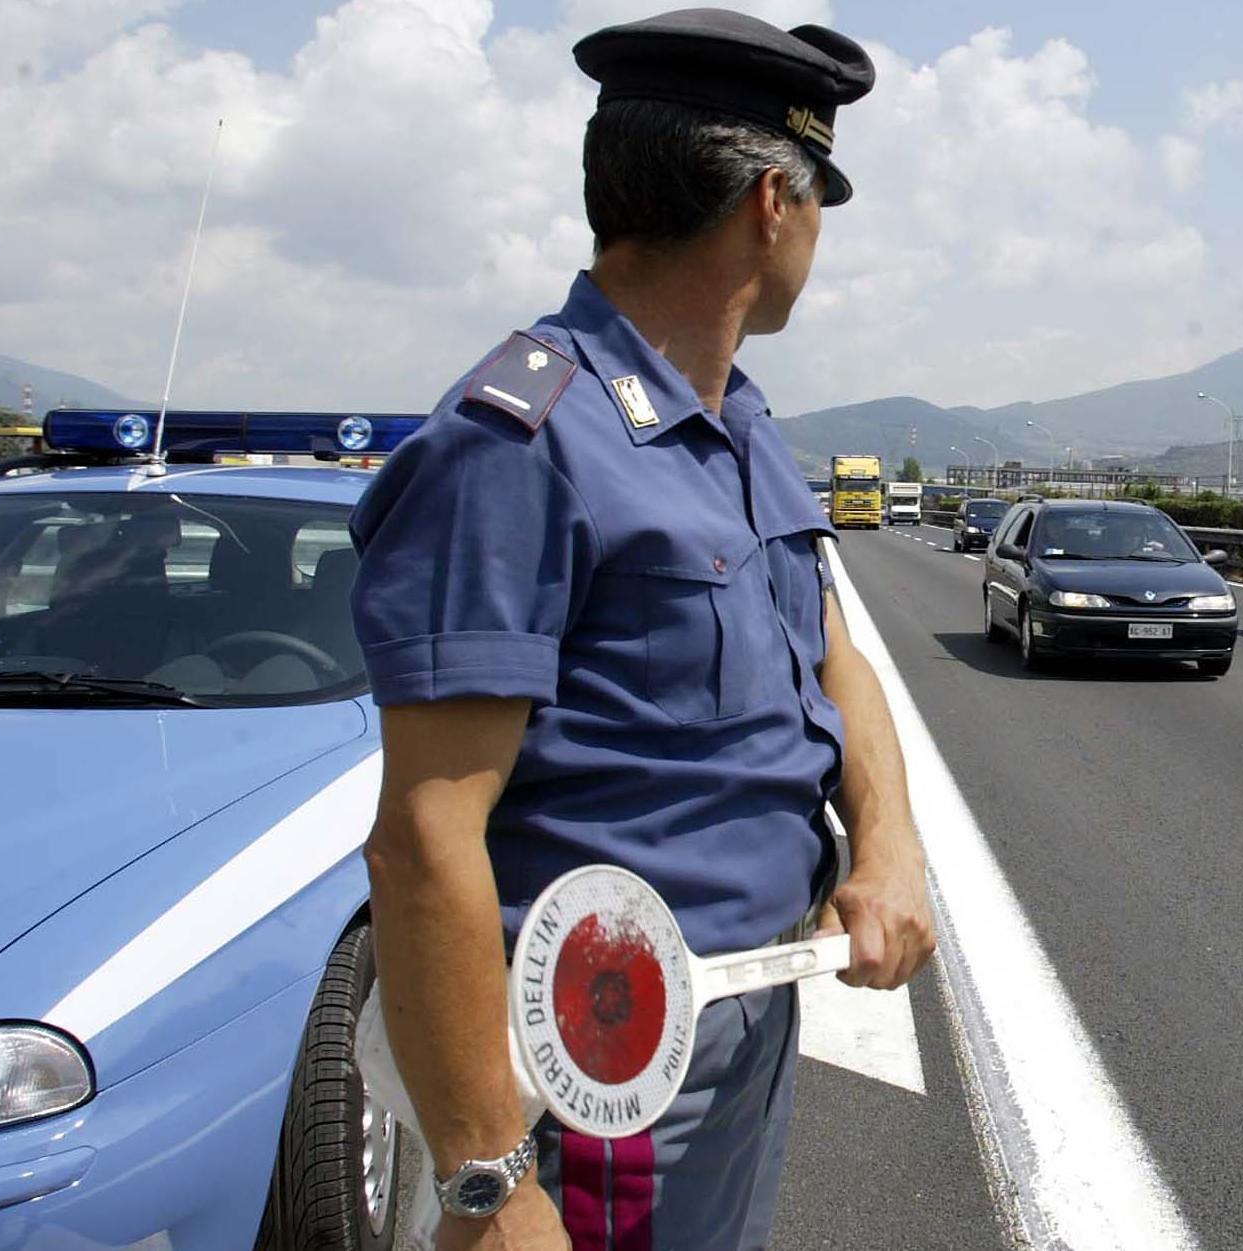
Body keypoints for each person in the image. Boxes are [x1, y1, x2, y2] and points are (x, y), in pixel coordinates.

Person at [349, 10, 934, 1250]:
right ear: (772, 204)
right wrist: (491, 1187)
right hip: (594, 1071)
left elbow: (836, 661)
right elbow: (422, 839)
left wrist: (886, 851)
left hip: (739, 1018)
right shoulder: (519, 443)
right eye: (820, 197)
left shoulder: (737, 424)